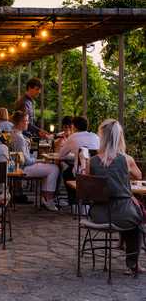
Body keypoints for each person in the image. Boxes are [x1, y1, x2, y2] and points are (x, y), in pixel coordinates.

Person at [88, 119, 144, 274]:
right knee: (136, 219)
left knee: (129, 213)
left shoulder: (92, 162)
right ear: (120, 137)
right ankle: (133, 264)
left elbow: (90, 187)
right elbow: (139, 176)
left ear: (102, 137)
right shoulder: (127, 160)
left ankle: (122, 241)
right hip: (123, 214)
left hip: (98, 215)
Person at [11, 111, 60, 212]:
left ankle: (45, 197)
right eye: (26, 120)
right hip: (22, 168)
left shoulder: (14, 133)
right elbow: (26, 161)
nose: (28, 123)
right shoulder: (19, 138)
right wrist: (40, 160)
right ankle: (48, 199)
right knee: (54, 168)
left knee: (49, 168)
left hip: (17, 165)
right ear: (20, 122)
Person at [59, 116, 100, 205]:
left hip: (80, 173)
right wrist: (78, 156)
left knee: (67, 173)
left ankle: (73, 200)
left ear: (74, 126)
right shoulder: (96, 137)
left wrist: (76, 156)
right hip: (96, 172)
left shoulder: (73, 137)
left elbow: (61, 155)